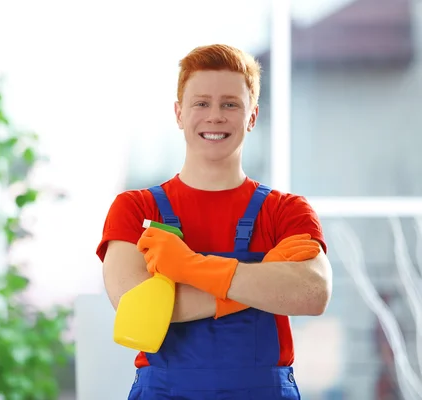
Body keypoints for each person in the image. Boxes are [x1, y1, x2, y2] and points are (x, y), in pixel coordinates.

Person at [96, 44, 333, 400]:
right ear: (179, 114)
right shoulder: (136, 209)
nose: (215, 116)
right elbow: (138, 311)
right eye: (201, 103)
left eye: (230, 104)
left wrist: (188, 266)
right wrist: (264, 282)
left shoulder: (286, 210)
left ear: (252, 116)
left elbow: (313, 293)